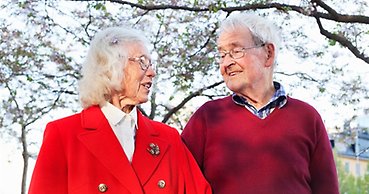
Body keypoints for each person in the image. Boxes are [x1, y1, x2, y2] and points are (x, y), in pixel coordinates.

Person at [28, 26, 211, 194]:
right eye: (142, 62)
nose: (151, 72)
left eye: (150, 64)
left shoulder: (169, 138)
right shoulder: (63, 135)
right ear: (111, 67)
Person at [181, 12, 339, 194]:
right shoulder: (208, 117)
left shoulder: (307, 117)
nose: (226, 63)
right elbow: (180, 182)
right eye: (222, 54)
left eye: (236, 51)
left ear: (268, 53)